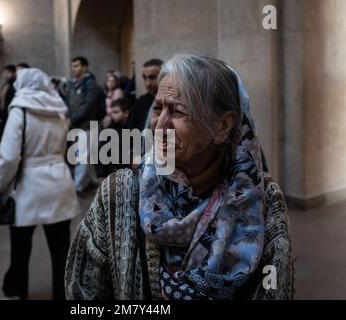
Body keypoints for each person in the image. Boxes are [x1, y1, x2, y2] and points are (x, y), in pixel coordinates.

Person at [65, 54, 294, 300]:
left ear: (222, 126)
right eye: (158, 108)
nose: (160, 125)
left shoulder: (263, 202)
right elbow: (84, 292)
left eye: (178, 111)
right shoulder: (119, 192)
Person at [0, 68, 80, 300]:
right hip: (59, 183)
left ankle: (18, 291)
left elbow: (9, 158)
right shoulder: (58, 110)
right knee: (61, 251)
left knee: (20, 249)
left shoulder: (20, 111)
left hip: (28, 186)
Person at [65, 56, 100, 194]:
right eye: (72, 66)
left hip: (87, 125)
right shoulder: (72, 84)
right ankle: (92, 180)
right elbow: (68, 103)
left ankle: (77, 187)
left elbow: (88, 106)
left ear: (85, 67)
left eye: (77, 66)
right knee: (86, 156)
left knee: (83, 156)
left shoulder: (90, 84)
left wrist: (73, 120)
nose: (74, 69)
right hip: (75, 125)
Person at [95, 98, 132, 178]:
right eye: (112, 113)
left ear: (126, 113)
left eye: (116, 112)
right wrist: (101, 175)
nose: (112, 115)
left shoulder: (133, 129)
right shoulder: (109, 130)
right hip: (112, 173)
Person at [131, 59, 163, 131]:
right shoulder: (140, 102)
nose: (147, 83)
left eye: (152, 77)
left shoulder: (171, 103)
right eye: (144, 77)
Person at [0, 64, 17, 135]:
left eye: (8, 72)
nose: (5, 75)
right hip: (3, 116)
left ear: (13, 73)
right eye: (4, 72)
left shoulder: (15, 85)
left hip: (10, 115)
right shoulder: (5, 85)